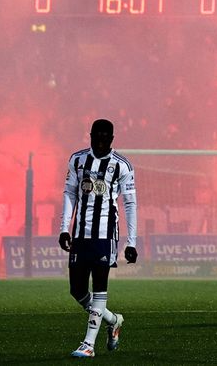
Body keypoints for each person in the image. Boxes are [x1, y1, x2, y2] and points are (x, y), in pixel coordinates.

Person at [60, 119, 138, 358]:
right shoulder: (77, 160)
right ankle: (113, 320)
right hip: (80, 235)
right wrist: (65, 228)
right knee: (77, 290)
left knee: (100, 288)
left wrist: (131, 241)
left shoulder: (122, 165)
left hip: (105, 236)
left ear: (112, 139)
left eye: (106, 137)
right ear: (91, 135)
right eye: (97, 136)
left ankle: (88, 344)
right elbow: (70, 194)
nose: (101, 140)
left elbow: (130, 204)